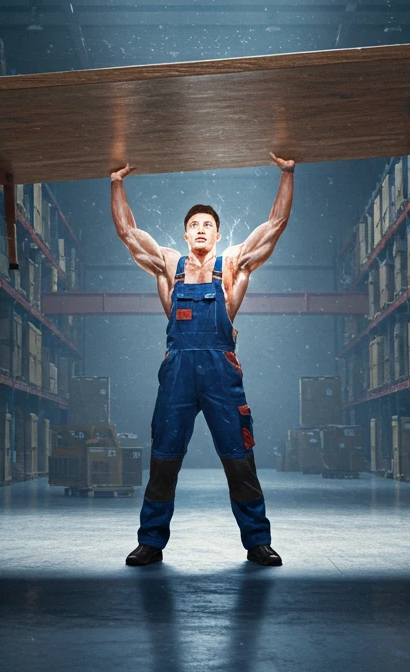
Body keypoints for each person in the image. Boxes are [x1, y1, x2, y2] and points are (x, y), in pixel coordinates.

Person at [111, 152, 294, 567]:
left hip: (220, 374)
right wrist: (116, 181)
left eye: (207, 225)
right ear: (184, 233)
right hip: (177, 374)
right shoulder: (168, 266)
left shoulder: (230, 266)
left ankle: (257, 542)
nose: (199, 230)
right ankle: (151, 542)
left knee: (239, 459)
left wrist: (287, 172)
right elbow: (126, 230)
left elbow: (275, 226)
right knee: (163, 459)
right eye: (193, 225)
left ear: (217, 234)